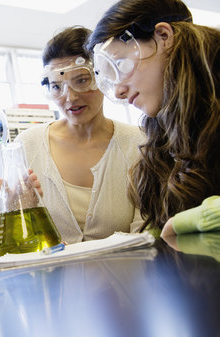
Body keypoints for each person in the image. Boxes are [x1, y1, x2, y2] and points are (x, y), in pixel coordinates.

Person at [86, 0, 220, 237]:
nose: (117, 91)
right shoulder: (165, 132)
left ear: (163, 35)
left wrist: (189, 223)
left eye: (120, 64)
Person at [15, 26, 145, 244]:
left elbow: (148, 227)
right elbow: (21, 236)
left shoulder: (139, 143)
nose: (70, 97)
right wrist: (13, 209)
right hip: (53, 276)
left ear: (103, 77)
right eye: (57, 86)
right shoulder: (27, 145)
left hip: (126, 274)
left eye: (82, 80)